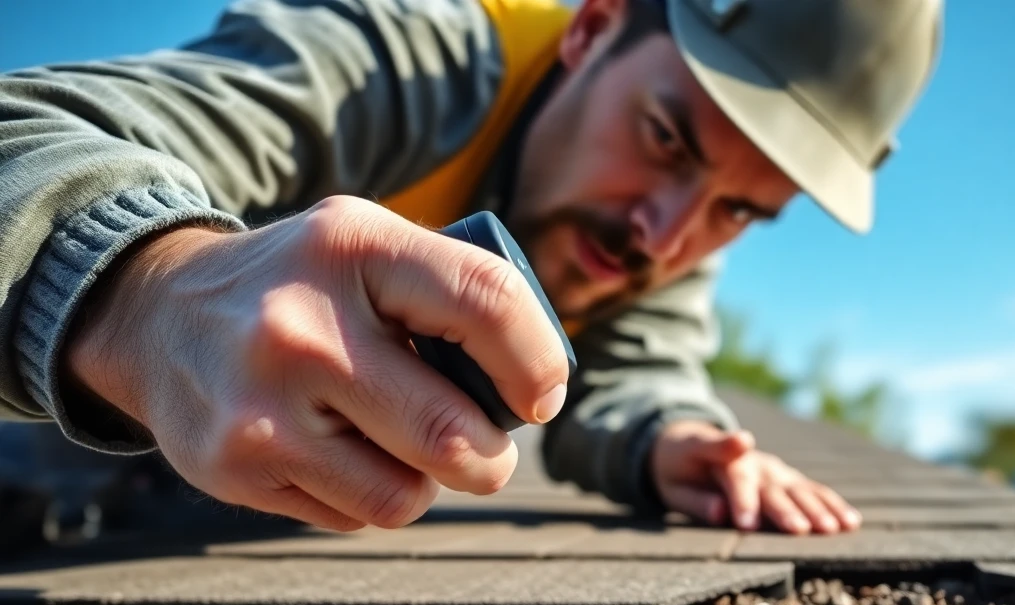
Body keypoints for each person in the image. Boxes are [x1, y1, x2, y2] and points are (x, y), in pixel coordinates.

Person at [0, 0, 942, 537]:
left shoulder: (656, 231)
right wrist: (149, 294)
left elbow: (637, 362)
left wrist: (666, 439)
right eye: (665, 138)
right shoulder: (396, 59)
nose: (664, 236)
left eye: (741, 208)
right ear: (594, 27)